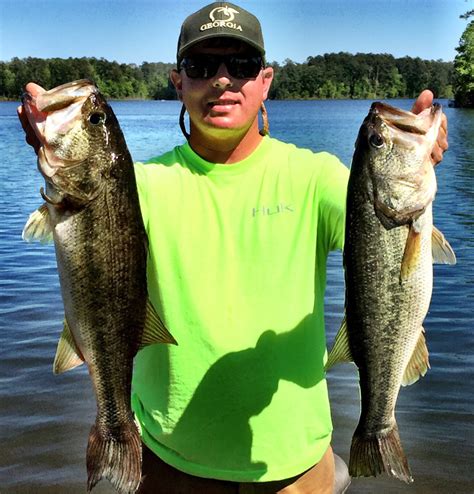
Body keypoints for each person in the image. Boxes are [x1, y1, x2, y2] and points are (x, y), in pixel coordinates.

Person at [18, 3, 448, 493]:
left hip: (296, 465)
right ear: (177, 81)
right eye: (202, 67)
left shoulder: (317, 177)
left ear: (265, 81)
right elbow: (92, 254)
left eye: (240, 67)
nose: (221, 81)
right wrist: (59, 155)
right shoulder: (136, 185)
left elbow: (384, 240)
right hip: (168, 459)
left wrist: (413, 163)